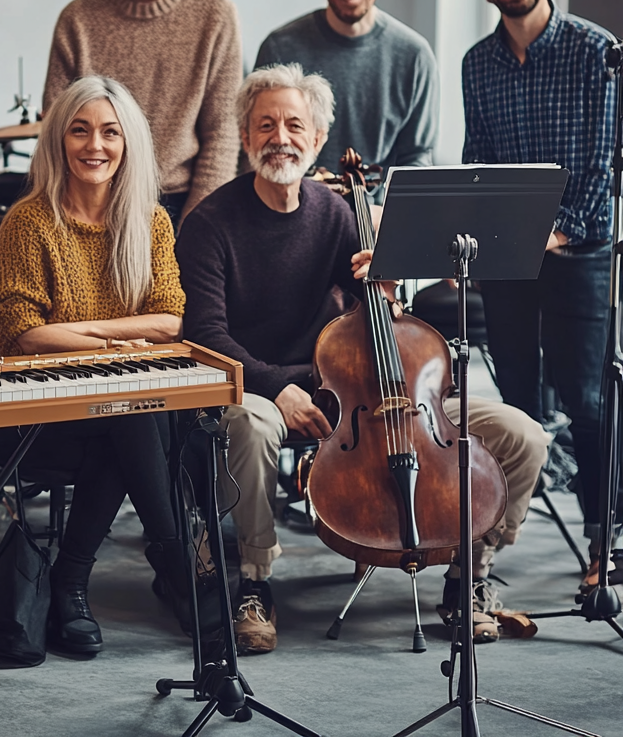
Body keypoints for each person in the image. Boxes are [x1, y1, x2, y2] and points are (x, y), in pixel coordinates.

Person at [176, 65, 550, 653]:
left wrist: (384, 283)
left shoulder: (335, 212)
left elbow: (375, 317)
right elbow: (205, 334)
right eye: (265, 124)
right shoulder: (209, 225)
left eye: (295, 124)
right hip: (268, 387)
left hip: (364, 393)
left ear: (318, 138)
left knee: (523, 434)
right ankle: (254, 582)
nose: (281, 137)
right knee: (249, 424)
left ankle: (469, 575)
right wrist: (276, 387)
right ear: (245, 138)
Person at [0, 76, 203, 653]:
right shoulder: (28, 224)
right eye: (79, 130)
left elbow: (173, 321)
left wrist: (88, 337)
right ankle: (175, 560)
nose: (94, 145)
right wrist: (111, 350)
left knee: (127, 408)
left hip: (116, 416)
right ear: (58, 140)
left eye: (110, 132)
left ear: (128, 142)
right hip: (31, 416)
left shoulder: (149, 221)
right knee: (133, 406)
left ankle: (71, 581)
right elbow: (21, 334)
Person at [462, 0, 616, 590]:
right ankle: (494, 544)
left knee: (587, 399)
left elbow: (603, 166)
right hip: (507, 259)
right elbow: (479, 164)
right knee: (517, 400)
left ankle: (602, 541)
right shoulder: (477, 64)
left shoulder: (597, 52)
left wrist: (556, 233)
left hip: (580, 252)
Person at [43, 0, 243, 225]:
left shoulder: (215, 14)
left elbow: (222, 132)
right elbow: (55, 127)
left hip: (181, 203)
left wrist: (198, 226)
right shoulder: (77, 19)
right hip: (93, 201)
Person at [254, 0, 438, 192]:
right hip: (295, 216)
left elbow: (416, 157)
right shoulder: (281, 48)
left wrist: (380, 214)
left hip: (379, 222)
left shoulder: (415, 56)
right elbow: (263, 148)